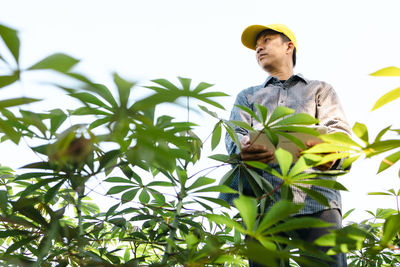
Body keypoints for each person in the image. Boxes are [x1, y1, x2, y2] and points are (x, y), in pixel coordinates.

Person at [220, 24, 351, 266]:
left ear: (288, 46)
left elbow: (339, 132)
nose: (259, 47)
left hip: (317, 198)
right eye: (257, 45)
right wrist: (242, 149)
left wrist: (330, 156)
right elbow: (235, 133)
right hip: (262, 200)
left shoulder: (319, 90)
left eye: (267, 40)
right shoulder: (247, 96)